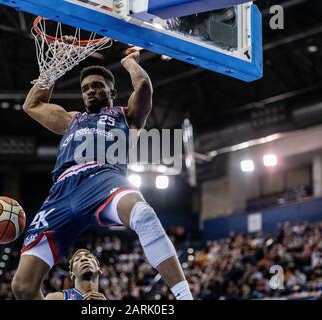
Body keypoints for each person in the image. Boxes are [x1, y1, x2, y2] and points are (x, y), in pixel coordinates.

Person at [11, 46, 193, 300]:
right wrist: (57, 66)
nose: (90, 91)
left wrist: (130, 63)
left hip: (104, 177)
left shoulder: (126, 116)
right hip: (62, 191)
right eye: (85, 88)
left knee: (143, 215)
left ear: (112, 92)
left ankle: (185, 296)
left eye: (97, 86)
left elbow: (144, 87)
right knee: (22, 288)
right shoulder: (71, 119)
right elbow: (32, 104)